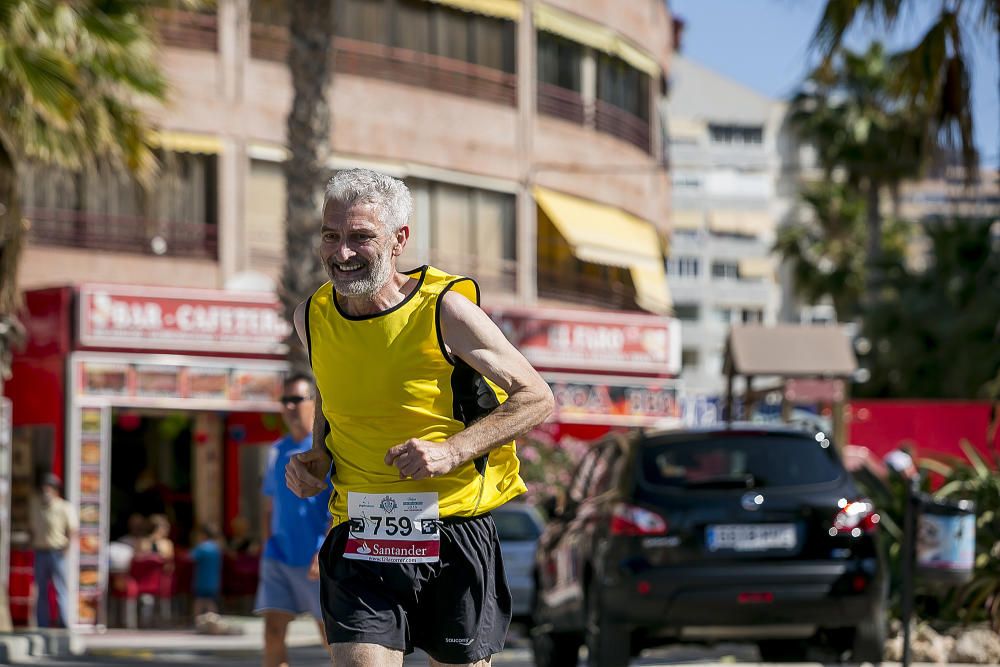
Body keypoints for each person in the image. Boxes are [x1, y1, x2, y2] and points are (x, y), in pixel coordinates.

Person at [285, 169, 554, 667]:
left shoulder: (444, 309)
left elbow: (536, 397)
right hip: (361, 529)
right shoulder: (311, 316)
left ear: (398, 240)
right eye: (331, 235)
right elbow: (329, 387)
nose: (341, 253)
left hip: (451, 529)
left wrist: (451, 451)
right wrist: (318, 453)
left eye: (361, 237)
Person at [254, 374, 332, 667]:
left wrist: (324, 549)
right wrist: (266, 546)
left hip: (315, 557)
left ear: (314, 402)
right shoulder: (276, 450)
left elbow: (340, 504)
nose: (288, 407)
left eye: (296, 399)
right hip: (278, 557)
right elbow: (269, 504)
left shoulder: (326, 451)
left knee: (330, 639)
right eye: (284, 400)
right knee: (272, 634)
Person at [29, 473, 78, 628]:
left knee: (60, 589)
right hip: (40, 551)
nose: (45, 491)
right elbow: (32, 529)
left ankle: (64, 622)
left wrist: (67, 549)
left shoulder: (64, 507)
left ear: (55, 490)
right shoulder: (36, 506)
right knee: (41, 590)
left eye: (48, 487)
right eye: (43, 487)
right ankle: (42, 623)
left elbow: (72, 530)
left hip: (57, 552)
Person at [191, 524, 223, 617]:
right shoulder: (217, 548)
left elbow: (191, 557)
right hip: (214, 580)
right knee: (210, 601)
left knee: (199, 601)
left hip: (202, 580)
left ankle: (197, 621)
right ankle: (213, 621)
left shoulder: (201, 547)